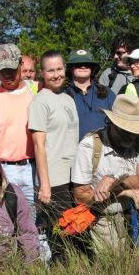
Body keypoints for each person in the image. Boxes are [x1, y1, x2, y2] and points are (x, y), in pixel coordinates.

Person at [72, 94, 139, 252]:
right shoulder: (89, 146)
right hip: (104, 211)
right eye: (125, 131)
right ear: (111, 124)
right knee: (114, 262)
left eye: (134, 131)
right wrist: (123, 191)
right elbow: (79, 196)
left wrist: (114, 179)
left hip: (138, 203)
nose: (131, 136)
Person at [28, 50, 79, 259]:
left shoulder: (68, 98)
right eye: (50, 71)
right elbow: (39, 146)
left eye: (59, 69)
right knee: (59, 233)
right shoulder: (40, 102)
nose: (56, 74)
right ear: (42, 73)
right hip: (55, 177)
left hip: (74, 174)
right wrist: (45, 184)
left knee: (75, 229)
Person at [0, 44, 38, 216]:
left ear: (20, 64)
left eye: (11, 69)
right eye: (2, 70)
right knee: (9, 219)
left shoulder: (37, 90)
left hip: (35, 168)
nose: (7, 75)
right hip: (5, 171)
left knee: (39, 220)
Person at [64, 49, 116, 140]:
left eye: (87, 64)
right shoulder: (62, 95)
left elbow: (118, 122)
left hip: (105, 149)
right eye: (78, 64)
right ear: (71, 68)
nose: (83, 67)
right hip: (74, 151)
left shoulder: (107, 93)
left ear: (92, 69)